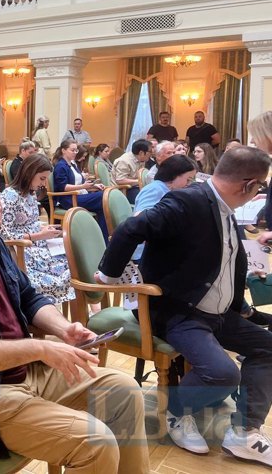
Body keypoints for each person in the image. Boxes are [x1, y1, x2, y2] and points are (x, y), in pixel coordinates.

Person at [0, 156, 149, 472]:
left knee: (125, 393)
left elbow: (28, 297)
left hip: (23, 372)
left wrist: (63, 329)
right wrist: (40, 347)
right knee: (96, 442)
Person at [97, 147, 272, 466]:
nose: (258, 193)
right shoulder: (187, 201)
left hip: (217, 312)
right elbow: (130, 229)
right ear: (248, 185)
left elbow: (227, 261)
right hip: (179, 311)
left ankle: (244, 432)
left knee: (267, 348)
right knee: (222, 373)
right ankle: (177, 415)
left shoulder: (224, 206)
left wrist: (245, 310)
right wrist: (109, 275)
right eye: (260, 186)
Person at [0, 154, 73, 304]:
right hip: (21, 250)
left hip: (36, 244)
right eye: (42, 178)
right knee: (66, 267)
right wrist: (37, 236)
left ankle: (84, 309)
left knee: (73, 257)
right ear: (30, 173)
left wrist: (44, 228)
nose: (44, 184)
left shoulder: (30, 194)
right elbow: (4, 235)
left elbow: (30, 222)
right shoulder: (10, 196)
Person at [130, 154, 197, 261]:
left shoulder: (169, 189)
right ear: (174, 175)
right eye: (188, 179)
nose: (189, 184)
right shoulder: (155, 190)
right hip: (145, 254)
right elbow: (141, 223)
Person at [53, 139, 108, 240]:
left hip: (79, 195)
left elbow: (80, 183)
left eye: (76, 150)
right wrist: (83, 187)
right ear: (63, 150)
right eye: (72, 150)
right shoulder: (60, 166)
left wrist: (93, 186)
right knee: (104, 196)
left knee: (104, 206)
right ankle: (102, 238)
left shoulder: (72, 164)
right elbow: (63, 187)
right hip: (69, 199)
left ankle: (101, 239)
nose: (75, 153)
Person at [111, 139, 151, 204]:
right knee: (147, 200)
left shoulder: (141, 159)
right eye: (150, 151)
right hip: (123, 190)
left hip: (135, 187)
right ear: (141, 153)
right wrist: (140, 181)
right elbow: (120, 180)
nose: (151, 154)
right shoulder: (124, 161)